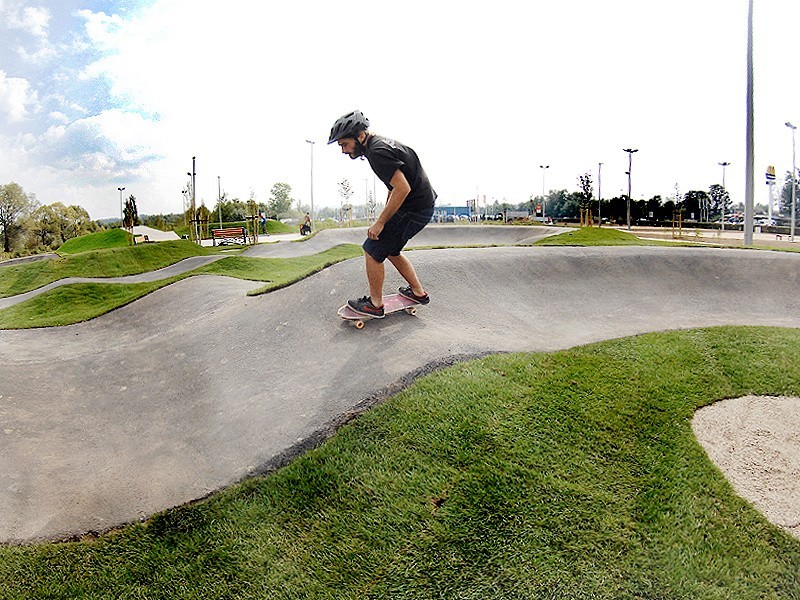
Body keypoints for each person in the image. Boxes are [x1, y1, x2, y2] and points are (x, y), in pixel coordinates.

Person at [328, 110, 435, 318]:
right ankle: (418, 292)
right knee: (390, 249)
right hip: (419, 205)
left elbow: (402, 188)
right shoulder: (381, 144)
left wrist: (380, 223)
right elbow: (393, 185)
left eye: (344, 144)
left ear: (359, 136)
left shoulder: (377, 152)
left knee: (372, 249)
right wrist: (385, 218)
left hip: (414, 208)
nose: (343, 150)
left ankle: (375, 305)